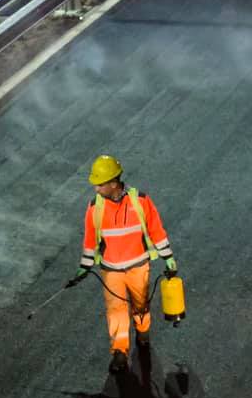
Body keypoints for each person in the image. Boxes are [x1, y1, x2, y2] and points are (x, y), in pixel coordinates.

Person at [70, 154, 177, 374]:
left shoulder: (141, 201)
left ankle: (143, 332)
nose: (96, 189)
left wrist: (169, 258)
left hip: (138, 267)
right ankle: (120, 351)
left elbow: (157, 231)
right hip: (111, 270)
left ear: (113, 183)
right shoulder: (94, 208)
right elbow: (90, 241)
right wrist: (84, 266)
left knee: (140, 305)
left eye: (100, 184)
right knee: (116, 310)